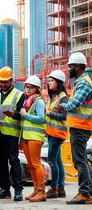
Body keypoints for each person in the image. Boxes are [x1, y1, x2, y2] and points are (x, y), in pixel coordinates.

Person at [57, 52, 92, 204]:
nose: (69, 69)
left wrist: (62, 106)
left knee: (79, 161)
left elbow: (74, 104)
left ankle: (84, 193)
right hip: (79, 127)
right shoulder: (80, 82)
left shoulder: (84, 83)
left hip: (81, 127)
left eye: (70, 66)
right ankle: (87, 191)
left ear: (78, 67)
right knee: (81, 160)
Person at [0, 66, 24, 201]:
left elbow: (21, 115)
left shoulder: (19, 94)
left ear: (11, 81)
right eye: (1, 82)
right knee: (1, 162)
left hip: (11, 133)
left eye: (5, 82)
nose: (3, 84)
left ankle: (18, 190)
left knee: (14, 161)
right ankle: (4, 189)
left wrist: (13, 114)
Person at [20, 75, 46, 202]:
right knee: (31, 165)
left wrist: (26, 115)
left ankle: (41, 191)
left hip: (35, 137)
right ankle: (36, 190)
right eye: (26, 87)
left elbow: (42, 118)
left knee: (36, 164)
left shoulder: (38, 102)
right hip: (26, 137)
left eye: (31, 87)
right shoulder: (27, 101)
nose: (28, 89)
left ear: (37, 89)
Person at [45, 70, 68, 199]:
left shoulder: (62, 97)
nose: (49, 82)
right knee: (58, 161)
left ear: (59, 82)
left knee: (52, 161)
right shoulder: (53, 97)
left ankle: (53, 189)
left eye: (52, 80)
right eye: (49, 80)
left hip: (57, 133)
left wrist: (50, 114)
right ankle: (61, 188)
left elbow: (64, 116)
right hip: (51, 133)